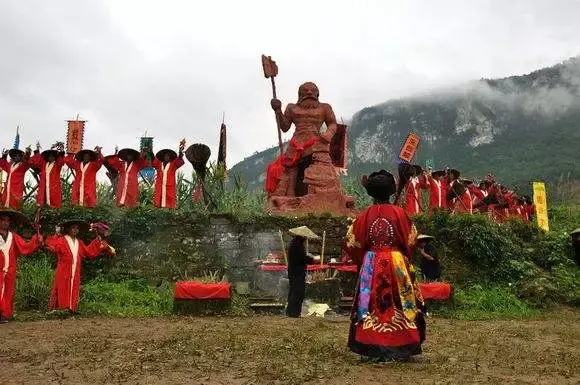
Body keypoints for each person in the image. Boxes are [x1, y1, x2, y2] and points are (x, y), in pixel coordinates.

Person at [344, 170, 425, 362]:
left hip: (371, 263)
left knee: (371, 303)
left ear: (371, 193)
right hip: (396, 263)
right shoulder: (400, 213)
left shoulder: (363, 216)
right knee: (400, 301)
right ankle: (403, 341)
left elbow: (351, 243)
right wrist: (403, 256)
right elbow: (411, 240)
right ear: (391, 191)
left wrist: (363, 259)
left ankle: (370, 341)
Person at [44, 220, 114, 312]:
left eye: (77, 228)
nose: (75, 230)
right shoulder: (61, 240)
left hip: (75, 270)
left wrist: (97, 242)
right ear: (68, 229)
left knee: (74, 288)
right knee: (62, 288)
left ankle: (71, 308)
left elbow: (88, 252)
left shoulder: (79, 242)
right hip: (63, 269)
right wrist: (56, 235)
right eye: (73, 227)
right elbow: (53, 246)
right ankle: (61, 309)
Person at [0, 210, 42, 323]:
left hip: (10, 269)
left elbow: (25, 248)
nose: (5, 223)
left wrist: (35, 239)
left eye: (7, 221)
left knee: (8, 292)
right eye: (2, 220)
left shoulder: (13, 237)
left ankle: (5, 315)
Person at [286, 226, 320, 318]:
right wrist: (312, 259)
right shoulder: (297, 245)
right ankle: (294, 312)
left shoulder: (296, 243)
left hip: (294, 270)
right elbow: (301, 258)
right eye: (305, 237)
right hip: (297, 271)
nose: (306, 238)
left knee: (294, 290)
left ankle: (291, 311)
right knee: (297, 291)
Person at [29, 142, 66, 208]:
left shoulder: (57, 165)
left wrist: (62, 150)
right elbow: (34, 161)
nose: (51, 157)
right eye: (49, 156)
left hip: (53, 187)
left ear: (55, 157)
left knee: (54, 205)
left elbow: (61, 161)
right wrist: (37, 151)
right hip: (43, 187)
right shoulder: (43, 164)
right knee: (42, 205)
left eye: (52, 156)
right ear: (47, 157)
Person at [152, 144, 185, 209]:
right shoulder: (159, 164)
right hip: (160, 188)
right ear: (163, 157)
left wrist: (180, 152)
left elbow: (179, 160)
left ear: (170, 157)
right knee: (158, 204)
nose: (166, 157)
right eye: (165, 156)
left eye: (168, 156)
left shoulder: (173, 165)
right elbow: (153, 160)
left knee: (169, 205)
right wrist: (150, 151)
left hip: (169, 188)